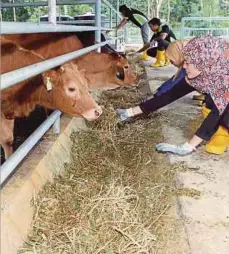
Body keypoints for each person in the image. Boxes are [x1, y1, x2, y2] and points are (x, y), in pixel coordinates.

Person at [117, 35, 229, 156]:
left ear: (202, 61)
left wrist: (188, 146)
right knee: (211, 103)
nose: (184, 67)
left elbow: (216, 113)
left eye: (187, 62)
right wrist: (130, 112)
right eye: (184, 61)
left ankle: (222, 138)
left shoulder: (223, 79)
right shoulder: (202, 68)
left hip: (223, 92)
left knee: (218, 109)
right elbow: (168, 96)